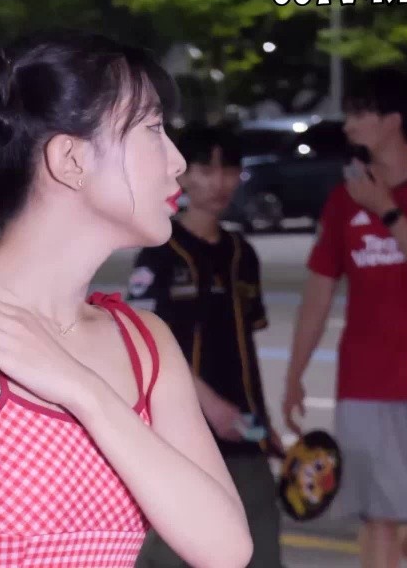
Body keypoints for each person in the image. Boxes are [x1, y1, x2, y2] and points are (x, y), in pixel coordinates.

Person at [0, 31, 253, 568]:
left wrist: (82, 390)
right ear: (71, 158)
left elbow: (226, 548)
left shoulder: (144, 341)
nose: (177, 162)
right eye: (151, 129)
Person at [282, 68, 407, 568]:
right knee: (377, 518)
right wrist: (294, 374)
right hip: (365, 385)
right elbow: (317, 296)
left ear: (393, 120)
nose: (348, 125)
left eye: (360, 113)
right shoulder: (343, 200)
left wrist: (386, 210)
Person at [127, 125, 284, 568]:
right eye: (205, 169)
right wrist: (209, 405)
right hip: (181, 438)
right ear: (182, 173)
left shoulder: (242, 253)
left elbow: (243, 347)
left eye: (228, 169)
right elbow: (139, 342)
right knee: (173, 557)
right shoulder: (160, 252)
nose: (218, 182)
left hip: (245, 435)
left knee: (259, 552)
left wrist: (264, 422)